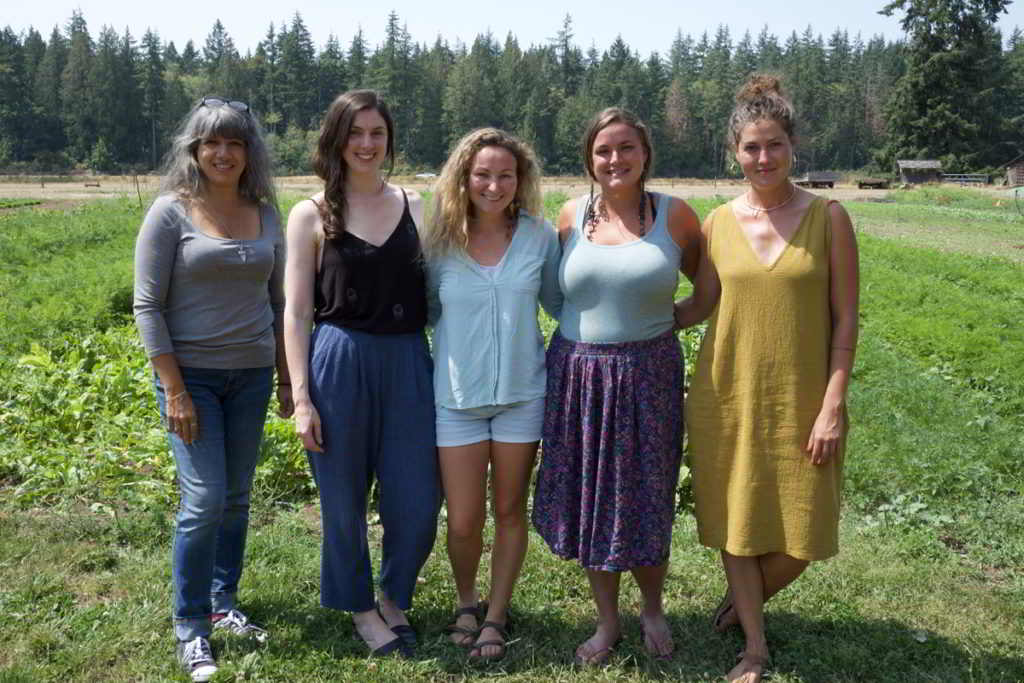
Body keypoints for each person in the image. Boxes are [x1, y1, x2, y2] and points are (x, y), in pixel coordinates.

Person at [675, 74, 859, 683]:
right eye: (751, 147)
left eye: (773, 144)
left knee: (805, 532)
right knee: (738, 519)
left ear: (792, 145)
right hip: (726, 394)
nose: (763, 158)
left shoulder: (828, 217)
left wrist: (834, 403)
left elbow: (845, 319)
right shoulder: (717, 223)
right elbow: (699, 304)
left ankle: (744, 601)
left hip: (803, 398)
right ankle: (754, 646)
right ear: (735, 152)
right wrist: (626, 324)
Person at [531, 107, 701, 666]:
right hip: (579, 373)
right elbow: (553, 293)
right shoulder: (569, 216)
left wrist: (662, 324)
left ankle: (652, 607)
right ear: (590, 159)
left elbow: (708, 290)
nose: (615, 160)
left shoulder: (676, 217)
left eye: (627, 147)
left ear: (646, 154)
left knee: (647, 495)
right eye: (604, 150)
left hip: (649, 375)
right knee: (591, 496)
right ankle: (607, 622)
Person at [133, 96, 291, 682]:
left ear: (250, 152)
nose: (223, 153)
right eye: (211, 143)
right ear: (194, 151)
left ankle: (224, 604)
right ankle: (190, 626)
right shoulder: (170, 212)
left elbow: (278, 303)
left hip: (249, 375)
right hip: (191, 378)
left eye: (234, 143)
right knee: (204, 500)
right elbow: (146, 305)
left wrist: (284, 378)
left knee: (236, 497)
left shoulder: (265, 211)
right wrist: (173, 388)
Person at [282, 90, 439, 658]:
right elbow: (297, 312)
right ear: (336, 141)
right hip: (338, 359)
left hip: (406, 361)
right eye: (355, 133)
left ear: (389, 139)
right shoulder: (312, 213)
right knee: (341, 499)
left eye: (376, 132)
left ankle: (396, 594)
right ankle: (360, 607)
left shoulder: (420, 207)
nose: (367, 144)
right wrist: (302, 398)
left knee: (419, 497)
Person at [422, 128, 561, 661]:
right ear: (464, 177)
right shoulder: (439, 242)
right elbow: (427, 313)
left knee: (508, 509)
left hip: (523, 395)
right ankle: (465, 601)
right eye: (483, 173)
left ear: (520, 180)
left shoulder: (539, 236)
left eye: (505, 174)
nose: (494, 184)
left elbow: (557, 304)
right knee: (462, 518)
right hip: (455, 397)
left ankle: (496, 615)